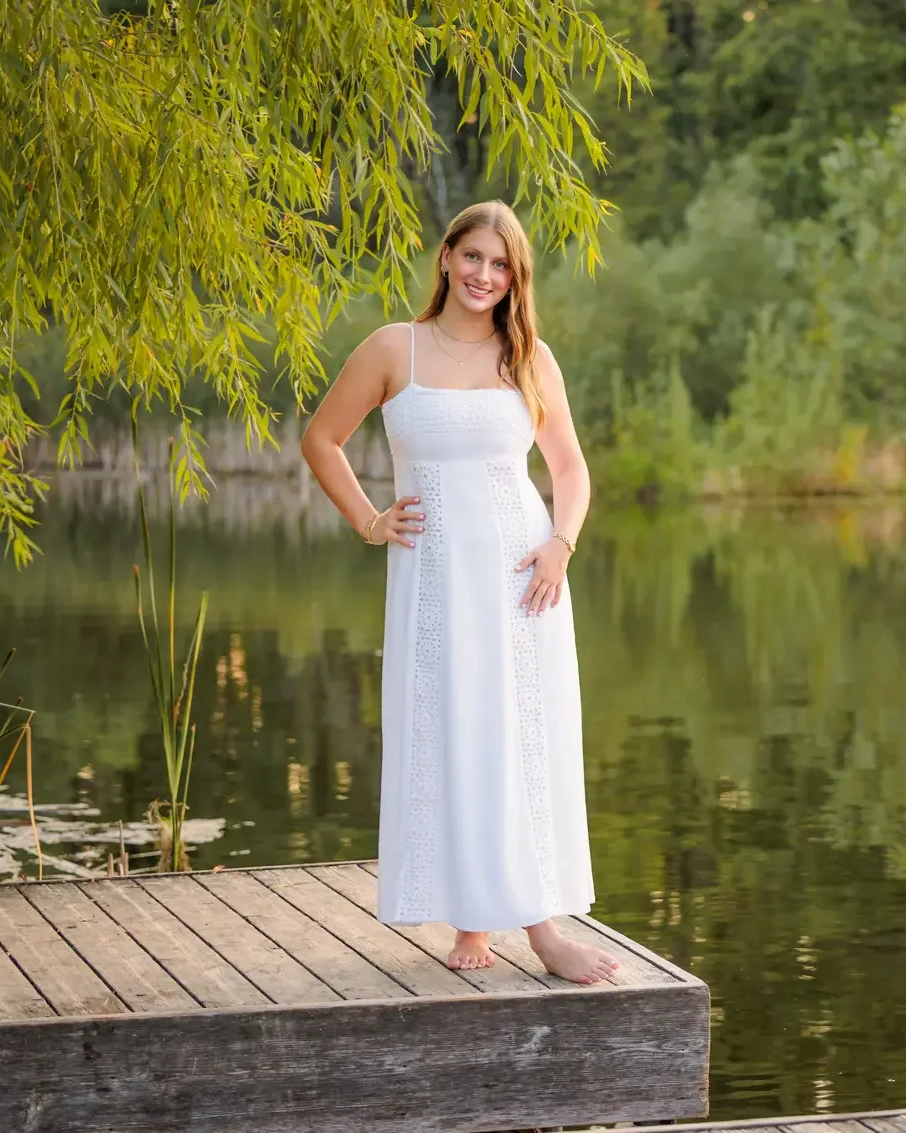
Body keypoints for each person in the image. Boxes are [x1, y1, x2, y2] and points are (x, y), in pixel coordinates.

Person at [300, 200, 618, 985]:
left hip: (521, 579)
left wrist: (561, 546)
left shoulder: (531, 359)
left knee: (516, 738)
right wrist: (371, 520)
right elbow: (321, 439)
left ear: (516, 278)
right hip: (436, 580)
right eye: (473, 257)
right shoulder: (392, 349)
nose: (484, 275)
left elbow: (571, 470)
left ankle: (540, 927)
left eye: (501, 264)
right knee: (454, 732)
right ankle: (475, 913)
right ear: (446, 258)